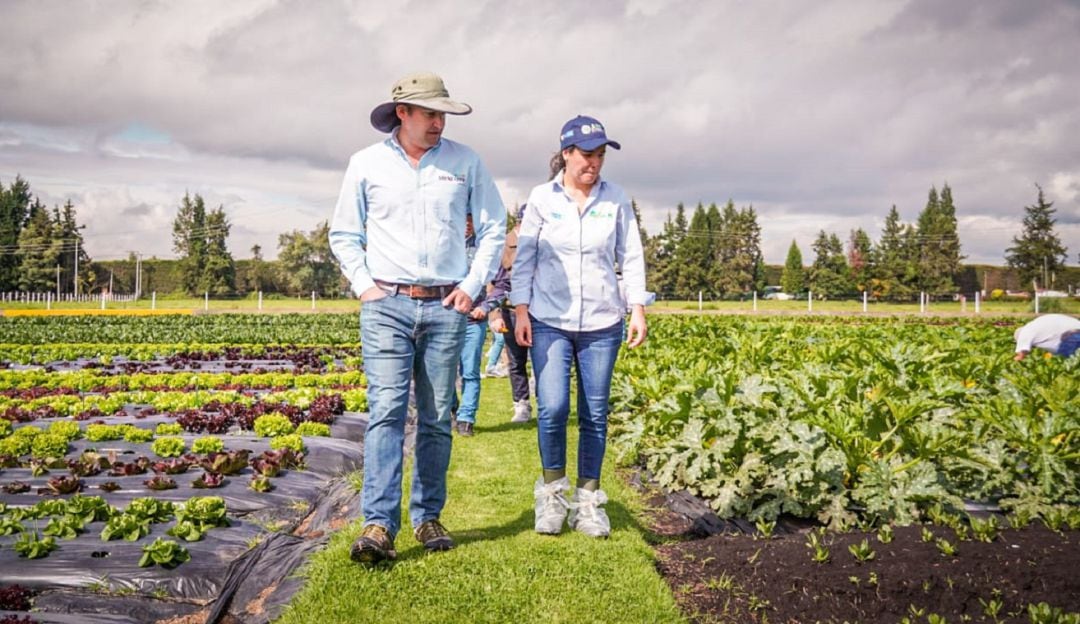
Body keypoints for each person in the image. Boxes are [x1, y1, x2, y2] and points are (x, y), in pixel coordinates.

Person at [329, 71, 506, 564]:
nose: (438, 122)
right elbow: (343, 233)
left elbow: (494, 228)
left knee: (434, 418)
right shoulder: (365, 164)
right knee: (386, 410)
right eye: (429, 112)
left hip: (447, 306)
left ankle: (427, 517)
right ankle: (378, 525)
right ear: (401, 113)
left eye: (442, 113)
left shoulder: (465, 162)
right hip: (387, 304)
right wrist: (365, 286)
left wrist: (471, 287)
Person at [511, 115, 648, 538]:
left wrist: (637, 308)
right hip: (549, 319)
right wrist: (520, 309)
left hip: (603, 322)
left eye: (601, 155)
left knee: (595, 413)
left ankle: (589, 503)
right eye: (587, 154)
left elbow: (631, 256)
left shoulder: (616, 199)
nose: (595, 163)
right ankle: (552, 496)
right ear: (566, 153)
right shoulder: (540, 198)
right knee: (552, 409)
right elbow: (525, 258)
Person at [453, 215, 511, 437]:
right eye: (463, 218)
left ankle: (466, 419)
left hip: (472, 321)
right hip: (444, 320)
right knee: (445, 372)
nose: (467, 223)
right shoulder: (443, 247)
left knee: (470, 371)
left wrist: (486, 307)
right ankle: (451, 410)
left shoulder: (484, 251)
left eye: (470, 219)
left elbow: (502, 283)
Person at [490, 205, 535, 424]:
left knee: (541, 360)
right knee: (516, 361)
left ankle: (546, 404)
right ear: (520, 222)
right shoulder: (504, 245)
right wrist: (495, 314)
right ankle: (522, 405)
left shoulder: (541, 242)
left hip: (539, 309)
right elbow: (495, 283)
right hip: (510, 310)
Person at [1013, 313, 1080, 360]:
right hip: (1075, 330)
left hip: (1072, 335)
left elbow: (1020, 357)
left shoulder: (1024, 333)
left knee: (1066, 361)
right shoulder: (1034, 325)